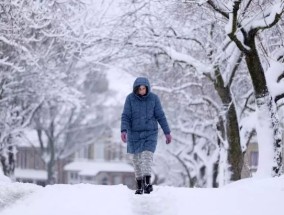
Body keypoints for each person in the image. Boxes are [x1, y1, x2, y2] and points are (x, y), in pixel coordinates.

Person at [120, 77, 172, 194]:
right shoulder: (130, 99)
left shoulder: (154, 99)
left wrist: (167, 132)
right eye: (139, 89)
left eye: (144, 88)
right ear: (136, 89)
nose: (142, 91)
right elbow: (126, 116)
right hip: (134, 134)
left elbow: (160, 116)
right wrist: (123, 130)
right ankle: (139, 186)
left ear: (147, 88)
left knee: (147, 156)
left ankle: (147, 183)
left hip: (150, 133)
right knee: (137, 160)